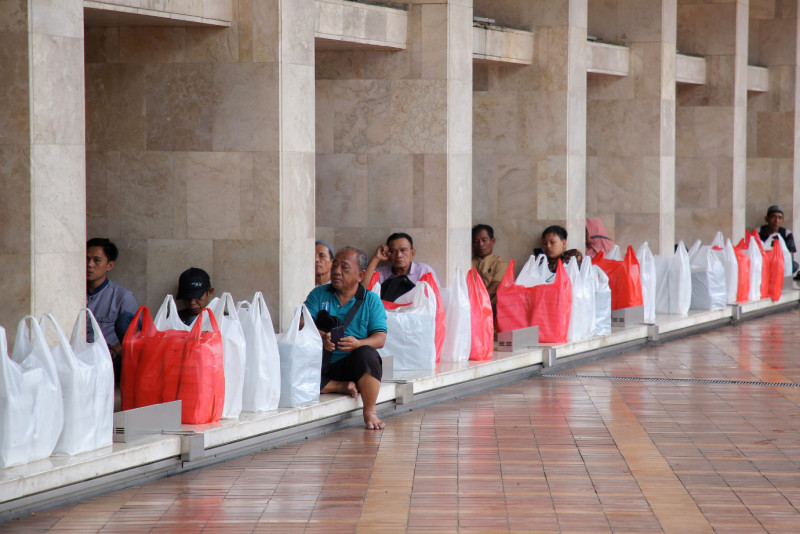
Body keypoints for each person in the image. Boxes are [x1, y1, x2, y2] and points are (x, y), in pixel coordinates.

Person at [304, 247, 387, 430]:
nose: (337, 271)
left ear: (360, 275)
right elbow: (302, 323)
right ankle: (339, 386)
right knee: (294, 369)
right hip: (321, 363)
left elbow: (380, 338)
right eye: (335, 266)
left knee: (367, 354)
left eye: (345, 268)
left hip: (352, 365)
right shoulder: (318, 294)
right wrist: (322, 336)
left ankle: (370, 411)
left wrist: (358, 343)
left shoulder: (371, 300)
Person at [86, 238, 138, 382]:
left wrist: (115, 350)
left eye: (97, 260)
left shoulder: (123, 297)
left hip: (109, 360)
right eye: (86, 259)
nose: (89, 265)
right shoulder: (70, 294)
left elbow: (137, 337)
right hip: (77, 356)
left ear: (109, 265)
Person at [364, 232, 440, 301]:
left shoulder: (424, 271)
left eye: (403, 250)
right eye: (393, 251)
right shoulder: (380, 273)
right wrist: (376, 258)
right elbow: (363, 291)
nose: (399, 255)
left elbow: (436, 299)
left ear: (412, 253)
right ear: (388, 254)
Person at [472, 224, 507, 304]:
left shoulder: (500, 263)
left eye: (484, 240)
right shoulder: (467, 262)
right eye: (476, 241)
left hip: (491, 306)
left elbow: (494, 289)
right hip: (469, 306)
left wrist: (476, 304)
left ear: (493, 241)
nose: (480, 244)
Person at [758, 205, 798, 274]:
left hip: (780, 263)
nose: (776, 221)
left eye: (780, 218)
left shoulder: (786, 233)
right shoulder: (759, 232)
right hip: (764, 262)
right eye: (773, 217)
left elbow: (790, 256)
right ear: (766, 219)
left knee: (794, 265)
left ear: (782, 220)